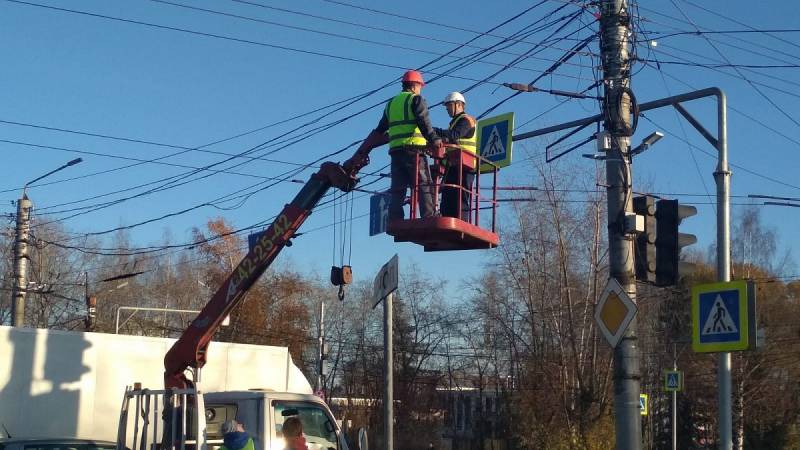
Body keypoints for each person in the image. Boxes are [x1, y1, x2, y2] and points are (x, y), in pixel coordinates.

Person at [370, 70, 441, 220]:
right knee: (423, 183)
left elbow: (380, 128)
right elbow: (424, 123)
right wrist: (435, 140)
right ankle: (429, 216)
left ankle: (395, 217)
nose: (420, 89)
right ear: (415, 85)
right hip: (414, 150)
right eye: (420, 86)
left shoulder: (391, 104)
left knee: (398, 187)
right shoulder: (416, 100)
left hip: (395, 151)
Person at [433, 91, 477, 221]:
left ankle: (461, 223)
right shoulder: (454, 122)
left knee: (460, 198)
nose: (447, 109)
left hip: (466, 166)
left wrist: (432, 130)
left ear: (458, 105)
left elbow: (454, 135)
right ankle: (447, 219)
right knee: (448, 197)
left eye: (449, 105)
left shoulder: (466, 120)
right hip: (454, 166)